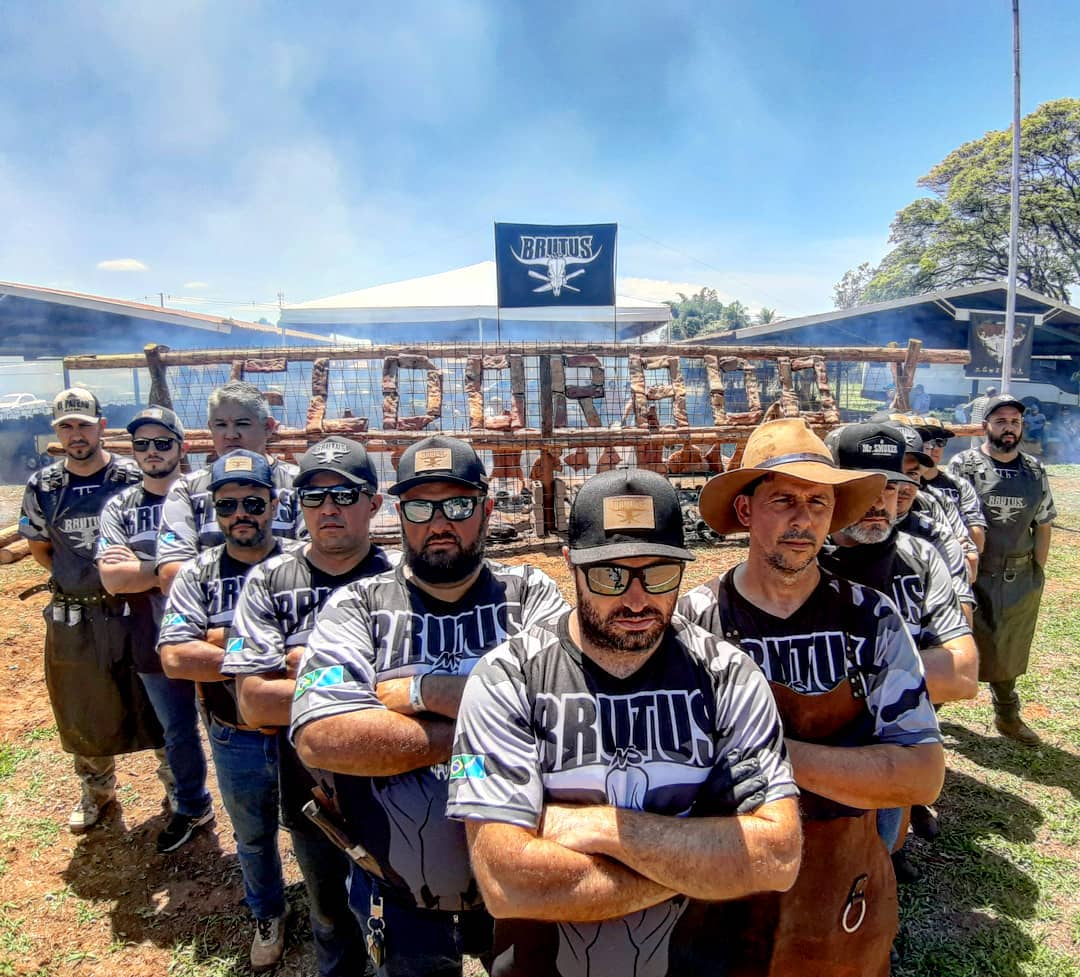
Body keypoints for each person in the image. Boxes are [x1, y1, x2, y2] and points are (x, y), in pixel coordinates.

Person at [447, 468, 802, 977]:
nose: (637, 600)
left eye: (658, 574)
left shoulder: (726, 675)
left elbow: (777, 857)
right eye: (610, 575)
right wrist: (705, 863)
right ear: (569, 564)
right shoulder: (510, 677)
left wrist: (596, 827)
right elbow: (509, 884)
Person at [290, 435, 567, 977]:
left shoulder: (529, 593)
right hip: (397, 890)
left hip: (523, 876)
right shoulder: (358, 606)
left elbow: (566, 714)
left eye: (458, 505)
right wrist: (490, 733)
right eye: (420, 506)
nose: (439, 522)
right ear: (399, 514)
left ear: (486, 510)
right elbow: (322, 737)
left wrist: (421, 694)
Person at [680, 418, 945, 977]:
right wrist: (853, 768)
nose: (804, 521)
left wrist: (769, 757)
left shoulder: (870, 619)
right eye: (784, 501)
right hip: (725, 877)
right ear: (747, 510)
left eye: (819, 503)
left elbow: (921, 775)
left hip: (842, 882)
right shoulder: (694, 623)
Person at [226, 438, 396, 977]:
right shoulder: (269, 582)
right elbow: (253, 703)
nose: (328, 508)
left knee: (398, 915)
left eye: (344, 494)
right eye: (313, 495)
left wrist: (300, 669)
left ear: (374, 503)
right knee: (327, 914)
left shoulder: (404, 583)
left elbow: (419, 694)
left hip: (395, 784)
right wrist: (366, 684)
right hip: (309, 793)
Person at [820, 422, 977, 880]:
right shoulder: (803, 558)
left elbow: (962, 674)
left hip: (893, 747)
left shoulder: (920, 558)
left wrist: (840, 677)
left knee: (878, 857)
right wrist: (905, 671)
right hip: (813, 747)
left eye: (893, 488)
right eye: (863, 487)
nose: (879, 502)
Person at [158, 450, 289, 970]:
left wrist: (218, 639)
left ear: (274, 504)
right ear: (213, 510)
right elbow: (174, 657)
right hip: (234, 732)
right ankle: (268, 911)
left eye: (253, 502)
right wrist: (269, 653)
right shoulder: (198, 573)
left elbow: (325, 650)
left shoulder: (301, 565)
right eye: (228, 504)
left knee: (327, 828)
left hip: (301, 727)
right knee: (252, 834)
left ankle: (338, 911)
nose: (242, 514)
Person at [19, 387, 163, 834]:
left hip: (133, 609)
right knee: (81, 707)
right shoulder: (43, 487)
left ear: (102, 426)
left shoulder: (130, 479)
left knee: (158, 704)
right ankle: (97, 791)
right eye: (66, 426)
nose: (76, 433)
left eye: (83, 424)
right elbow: (42, 548)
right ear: (56, 433)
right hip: (74, 618)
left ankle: (180, 792)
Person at [97, 407, 214, 852]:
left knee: (238, 723)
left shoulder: (207, 499)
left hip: (212, 634)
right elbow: (112, 578)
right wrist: (170, 568)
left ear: (181, 448)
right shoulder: (121, 507)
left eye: (162, 442)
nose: (151, 451)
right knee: (177, 729)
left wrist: (142, 568)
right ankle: (192, 803)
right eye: (141, 444)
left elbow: (221, 562)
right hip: (150, 634)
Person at [948, 394, 1056, 746]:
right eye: (1001, 421)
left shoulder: (1035, 471)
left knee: (1007, 649)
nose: (1009, 428)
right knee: (952, 644)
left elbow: (1043, 523)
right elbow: (945, 519)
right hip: (971, 576)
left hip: (1017, 579)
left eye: (1015, 422)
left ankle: (1007, 717)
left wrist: (1036, 570)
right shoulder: (964, 466)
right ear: (985, 426)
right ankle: (926, 716)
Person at [156, 380, 304, 591]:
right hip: (211, 620)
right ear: (210, 428)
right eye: (221, 425)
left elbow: (317, 563)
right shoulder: (187, 490)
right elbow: (171, 576)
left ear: (268, 427)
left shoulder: (298, 484)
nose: (231, 434)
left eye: (242, 424)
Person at [961, 385, 998, 449]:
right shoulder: (992, 402)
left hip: (974, 427)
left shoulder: (977, 400)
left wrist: (968, 419)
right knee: (987, 449)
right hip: (985, 428)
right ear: (994, 394)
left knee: (975, 449)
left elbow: (965, 408)